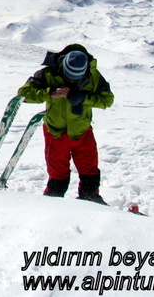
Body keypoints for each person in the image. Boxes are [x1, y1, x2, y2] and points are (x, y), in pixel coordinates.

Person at [18, 44, 114, 204]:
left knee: (89, 172)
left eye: (76, 78)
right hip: (55, 133)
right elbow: (23, 94)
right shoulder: (48, 74)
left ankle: (91, 200)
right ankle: (53, 205)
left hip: (82, 131)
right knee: (58, 176)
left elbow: (107, 99)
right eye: (69, 76)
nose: (72, 80)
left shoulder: (93, 75)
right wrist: (50, 93)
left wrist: (85, 98)